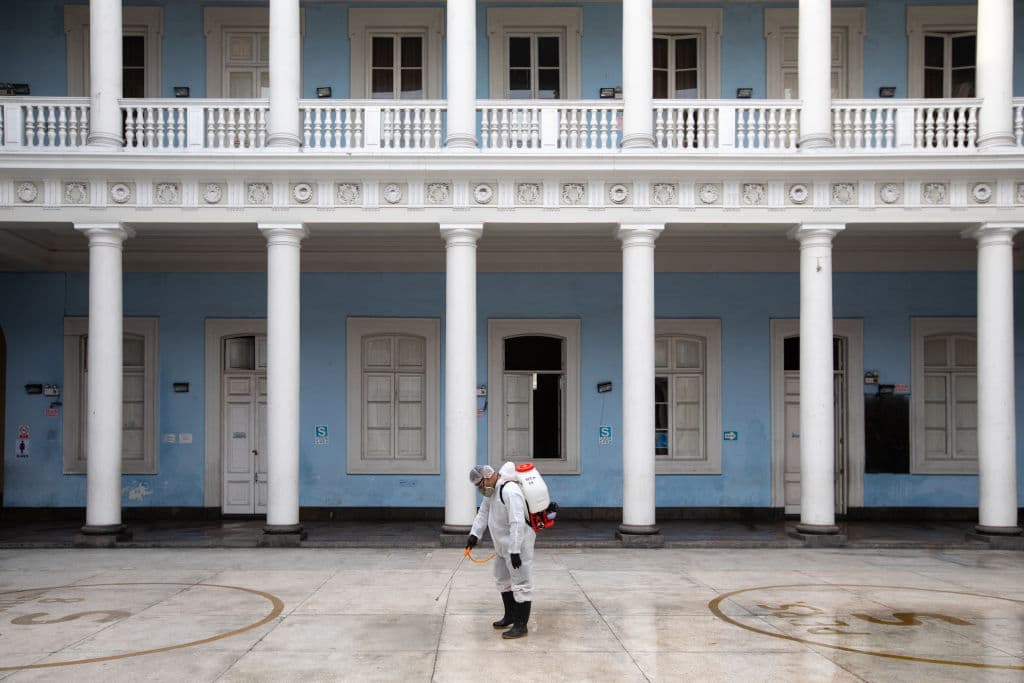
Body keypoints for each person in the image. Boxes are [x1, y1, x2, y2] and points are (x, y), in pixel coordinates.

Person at [466, 462, 535, 639]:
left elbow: (517, 522)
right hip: (502, 546)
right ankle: (510, 616)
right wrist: (474, 534)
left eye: (480, 485)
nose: (480, 489)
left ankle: (521, 625)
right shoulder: (492, 491)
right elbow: (483, 513)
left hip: (518, 546)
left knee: (521, 583)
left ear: (488, 477)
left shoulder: (509, 491)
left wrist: (515, 550)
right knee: (502, 578)